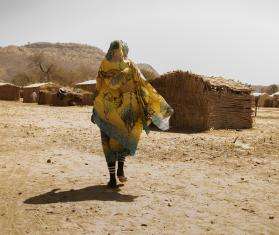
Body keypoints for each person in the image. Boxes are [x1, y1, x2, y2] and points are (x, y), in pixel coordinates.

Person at [92, 40, 173, 189]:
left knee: (108, 142)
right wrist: (150, 103)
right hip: (125, 108)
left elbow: (99, 85)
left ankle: (113, 178)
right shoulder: (130, 65)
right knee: (123, 139)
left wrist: (95, 107)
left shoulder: (104, 64)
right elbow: (142, 84)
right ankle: (120, 172)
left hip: (106, 108)